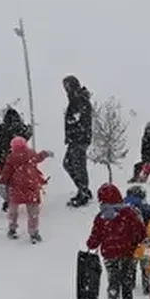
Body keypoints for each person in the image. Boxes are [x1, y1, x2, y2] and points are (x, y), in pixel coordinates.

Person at [86, 184, 148, 299]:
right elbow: (141, 233)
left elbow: (93, 241)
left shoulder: (101, 217)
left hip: (109, 256)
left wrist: (92, 243)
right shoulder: (129, 213)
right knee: (127, 283)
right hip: (128, 254)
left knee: (113, 284)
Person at [0, 136, 52, 242]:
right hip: (31, 187)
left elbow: (6, 173)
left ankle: (12, 229)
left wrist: (2, 183)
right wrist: (45, 153)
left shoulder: (11, 157)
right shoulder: (31, 154)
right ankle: (34, 233)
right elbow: (39, 157)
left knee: (13, 211)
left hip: (16, 188)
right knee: (33, 213)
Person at [62, 75, 93, 206]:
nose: (65, 89)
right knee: (69, 163)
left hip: (79, 139)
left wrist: (70, 120)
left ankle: (83, 193)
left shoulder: (79, 98)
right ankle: (83, 189)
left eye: (66, 86)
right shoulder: (76, 98)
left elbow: (76, 117)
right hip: (75, 138)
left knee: (78, 165)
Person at [126, 184, 150, 294]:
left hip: (129, 243)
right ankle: (147, 287)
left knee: (130, 265)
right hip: (146, 242)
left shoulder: (123, 208)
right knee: (146, 265)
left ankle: (129, 285)